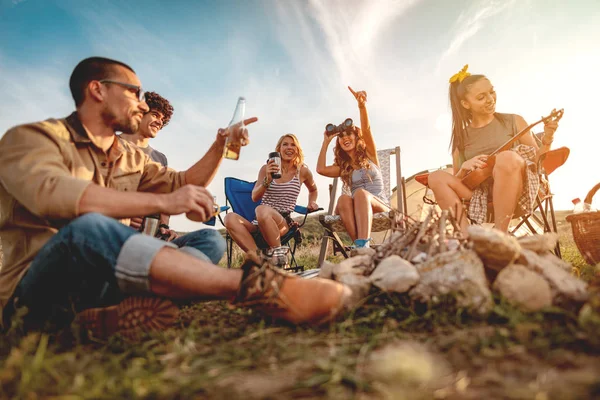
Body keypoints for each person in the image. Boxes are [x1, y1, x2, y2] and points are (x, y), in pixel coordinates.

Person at [0, 57, 350, 338]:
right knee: (88, 228)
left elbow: (183, 181)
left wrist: (220, 146)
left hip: (105, 280)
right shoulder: (32, 139)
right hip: (36, 290)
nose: (141, 104)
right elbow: (57, 196)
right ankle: (259, 288)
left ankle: (96, 317)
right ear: (97, 90)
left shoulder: (130, 158)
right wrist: (164, 203)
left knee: (208, 240)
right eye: (134, 92)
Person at [427, 64, 560, 234]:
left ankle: (499, 236)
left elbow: (539, 162)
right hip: (478, 196)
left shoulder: (514, 121)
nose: (490, 99)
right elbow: (457, 180)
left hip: (516, 190)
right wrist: (465, 167)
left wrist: (548, 137)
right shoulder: (460, 139)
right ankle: (467, 238)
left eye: (492, 91)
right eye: (481, 97)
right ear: (466, 104)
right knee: (436, 177)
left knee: (507, 157)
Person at [224, 134, 319, 265]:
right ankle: (259, 260)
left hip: (282, 223)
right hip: (259, 223)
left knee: (262, 210)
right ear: (278, 149)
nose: (289, 147)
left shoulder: (302, 171)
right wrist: (268, 179)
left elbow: (313, 189)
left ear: (297, 150)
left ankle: (279, 258)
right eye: (285, 144)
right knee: (229, 218)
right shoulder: (266, 169)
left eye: (293, 145)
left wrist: (311, 202)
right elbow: (254, 196)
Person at [316, 87, 390, 248]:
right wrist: (326, 142)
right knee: (343, 198)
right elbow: (320, 169)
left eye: (349, 134)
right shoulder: (344, 167)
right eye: (341, 137)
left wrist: (361, 106)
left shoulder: (370, 155)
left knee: (361, 194)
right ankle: (361, 246)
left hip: (379, 205)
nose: (345, 138)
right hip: (356, 210)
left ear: (357, 138)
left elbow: (367, 130)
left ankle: (363, 245)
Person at [120, 91, 180, 242]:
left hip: (152, 232)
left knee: (210, 239)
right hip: (116, 229)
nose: (159, 122)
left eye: (163, 119)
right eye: (155, 114)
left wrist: (164, 227)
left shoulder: (160, 158)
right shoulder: (110, 144)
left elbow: (164, 198)